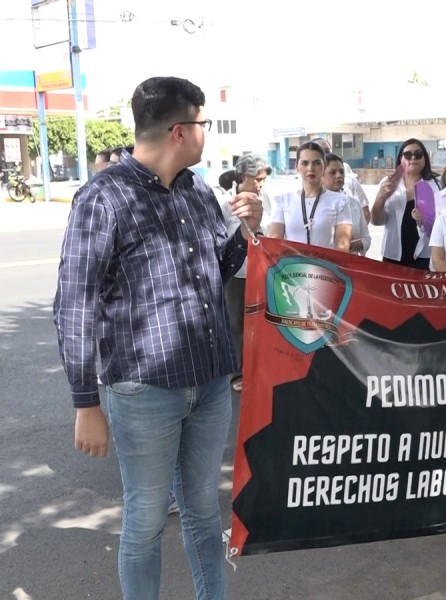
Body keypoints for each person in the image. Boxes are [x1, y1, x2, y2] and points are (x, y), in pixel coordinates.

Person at [53, 76, 263, 600]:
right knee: (145, 520)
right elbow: (73, 306)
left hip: (210, 382)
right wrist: (86, 404)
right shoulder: (103, 199)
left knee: (201, 513)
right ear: (178, 130)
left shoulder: (195, 191)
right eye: (202, 124)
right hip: (144, 390)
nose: (205, 135)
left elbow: (223, 267)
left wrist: (247, 230)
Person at [220, 154, 271, 392]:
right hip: (236, 273)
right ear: (242, 177)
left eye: (263, 179)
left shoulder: (267, 199)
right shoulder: (226, 203)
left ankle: (260, 368)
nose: (261, 183)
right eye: (257, 178)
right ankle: (238, 372)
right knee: (236, 322)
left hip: (263, 271)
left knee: (262, 321)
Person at [371, 138, 440, 269]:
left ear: (425, 158)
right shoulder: (388, 183)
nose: (413, 158)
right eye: (408, 155)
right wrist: (381, 196)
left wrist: (423, 221)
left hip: (425, 255)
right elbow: (376, 221)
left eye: (418, 154)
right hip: (393, 255)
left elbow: (442, 222)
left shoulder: (436, 185)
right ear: (400, 160)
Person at [268, 141, 352, 250]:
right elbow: (274, 245)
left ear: (324, 165)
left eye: (317, 163)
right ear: (296, 166)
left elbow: (343, 247)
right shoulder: (283, 201)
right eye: (304, 163)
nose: (310, 168)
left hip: (325, 265)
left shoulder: (340, 202)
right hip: (291, 265)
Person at [310, 137, 371, 224]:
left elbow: (365, 211)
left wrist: (356, 234)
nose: (324, 155)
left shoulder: (350, 181)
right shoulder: (304, 192)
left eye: (327, 151)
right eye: (319, 152)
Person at [323, 152, 371, 256]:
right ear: (321, 176)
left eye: (341, 172)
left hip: (350, 264)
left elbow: (366, 238)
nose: (339, 175)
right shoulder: (314, 205)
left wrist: (354, 245)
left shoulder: (354, 204)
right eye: (333, 172)